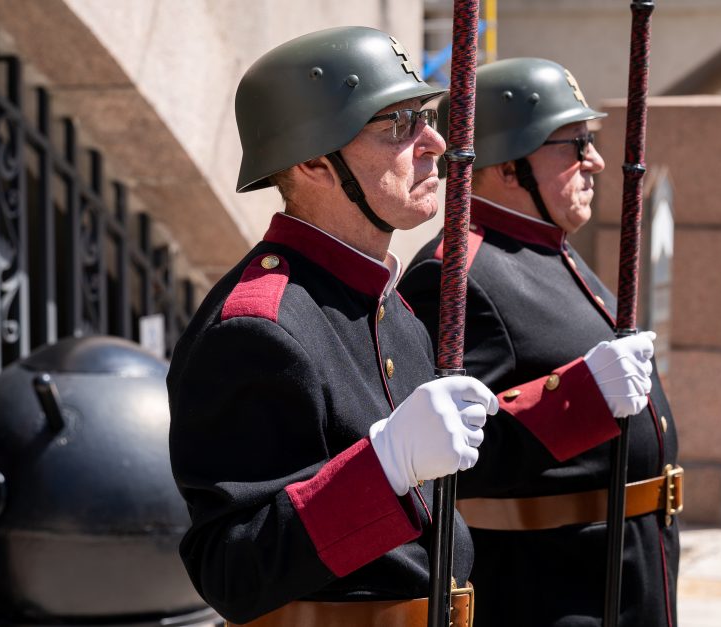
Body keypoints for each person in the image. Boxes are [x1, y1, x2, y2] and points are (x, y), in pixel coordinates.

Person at [166, 26, 498, 627]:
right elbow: (231, 572)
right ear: (314, 160)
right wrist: (383, 467)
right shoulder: (257, 329)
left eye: (422, 115)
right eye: (396, 123)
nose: (433, 141)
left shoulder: (386, 303)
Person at [399, 57, 682, 627]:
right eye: (574, 144)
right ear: (508, 167)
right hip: (555, 589)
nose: (596, 161)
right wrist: (581, 397)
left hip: (628, 567)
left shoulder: (545, 245)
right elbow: (446, 461)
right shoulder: (457, 273)